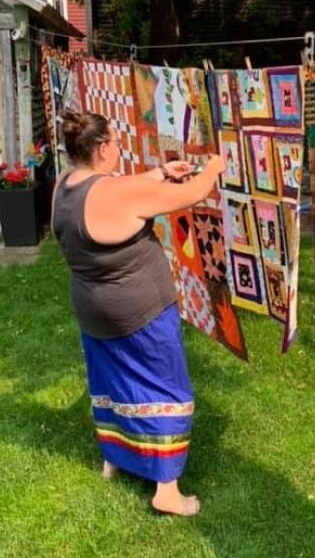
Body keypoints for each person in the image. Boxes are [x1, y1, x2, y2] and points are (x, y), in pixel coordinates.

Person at [51, 110, 225, 517]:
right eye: (113, 140)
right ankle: (166, 489)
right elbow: (194, 193)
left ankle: (116, 457)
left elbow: (120, 188)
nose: (118, 147)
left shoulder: (64, 185)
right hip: (139, 309)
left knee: (113, 382)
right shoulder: (117, 194)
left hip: (93, 310)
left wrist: (159, 172)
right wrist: (213, 167)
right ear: (104, 147)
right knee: (166, 387)